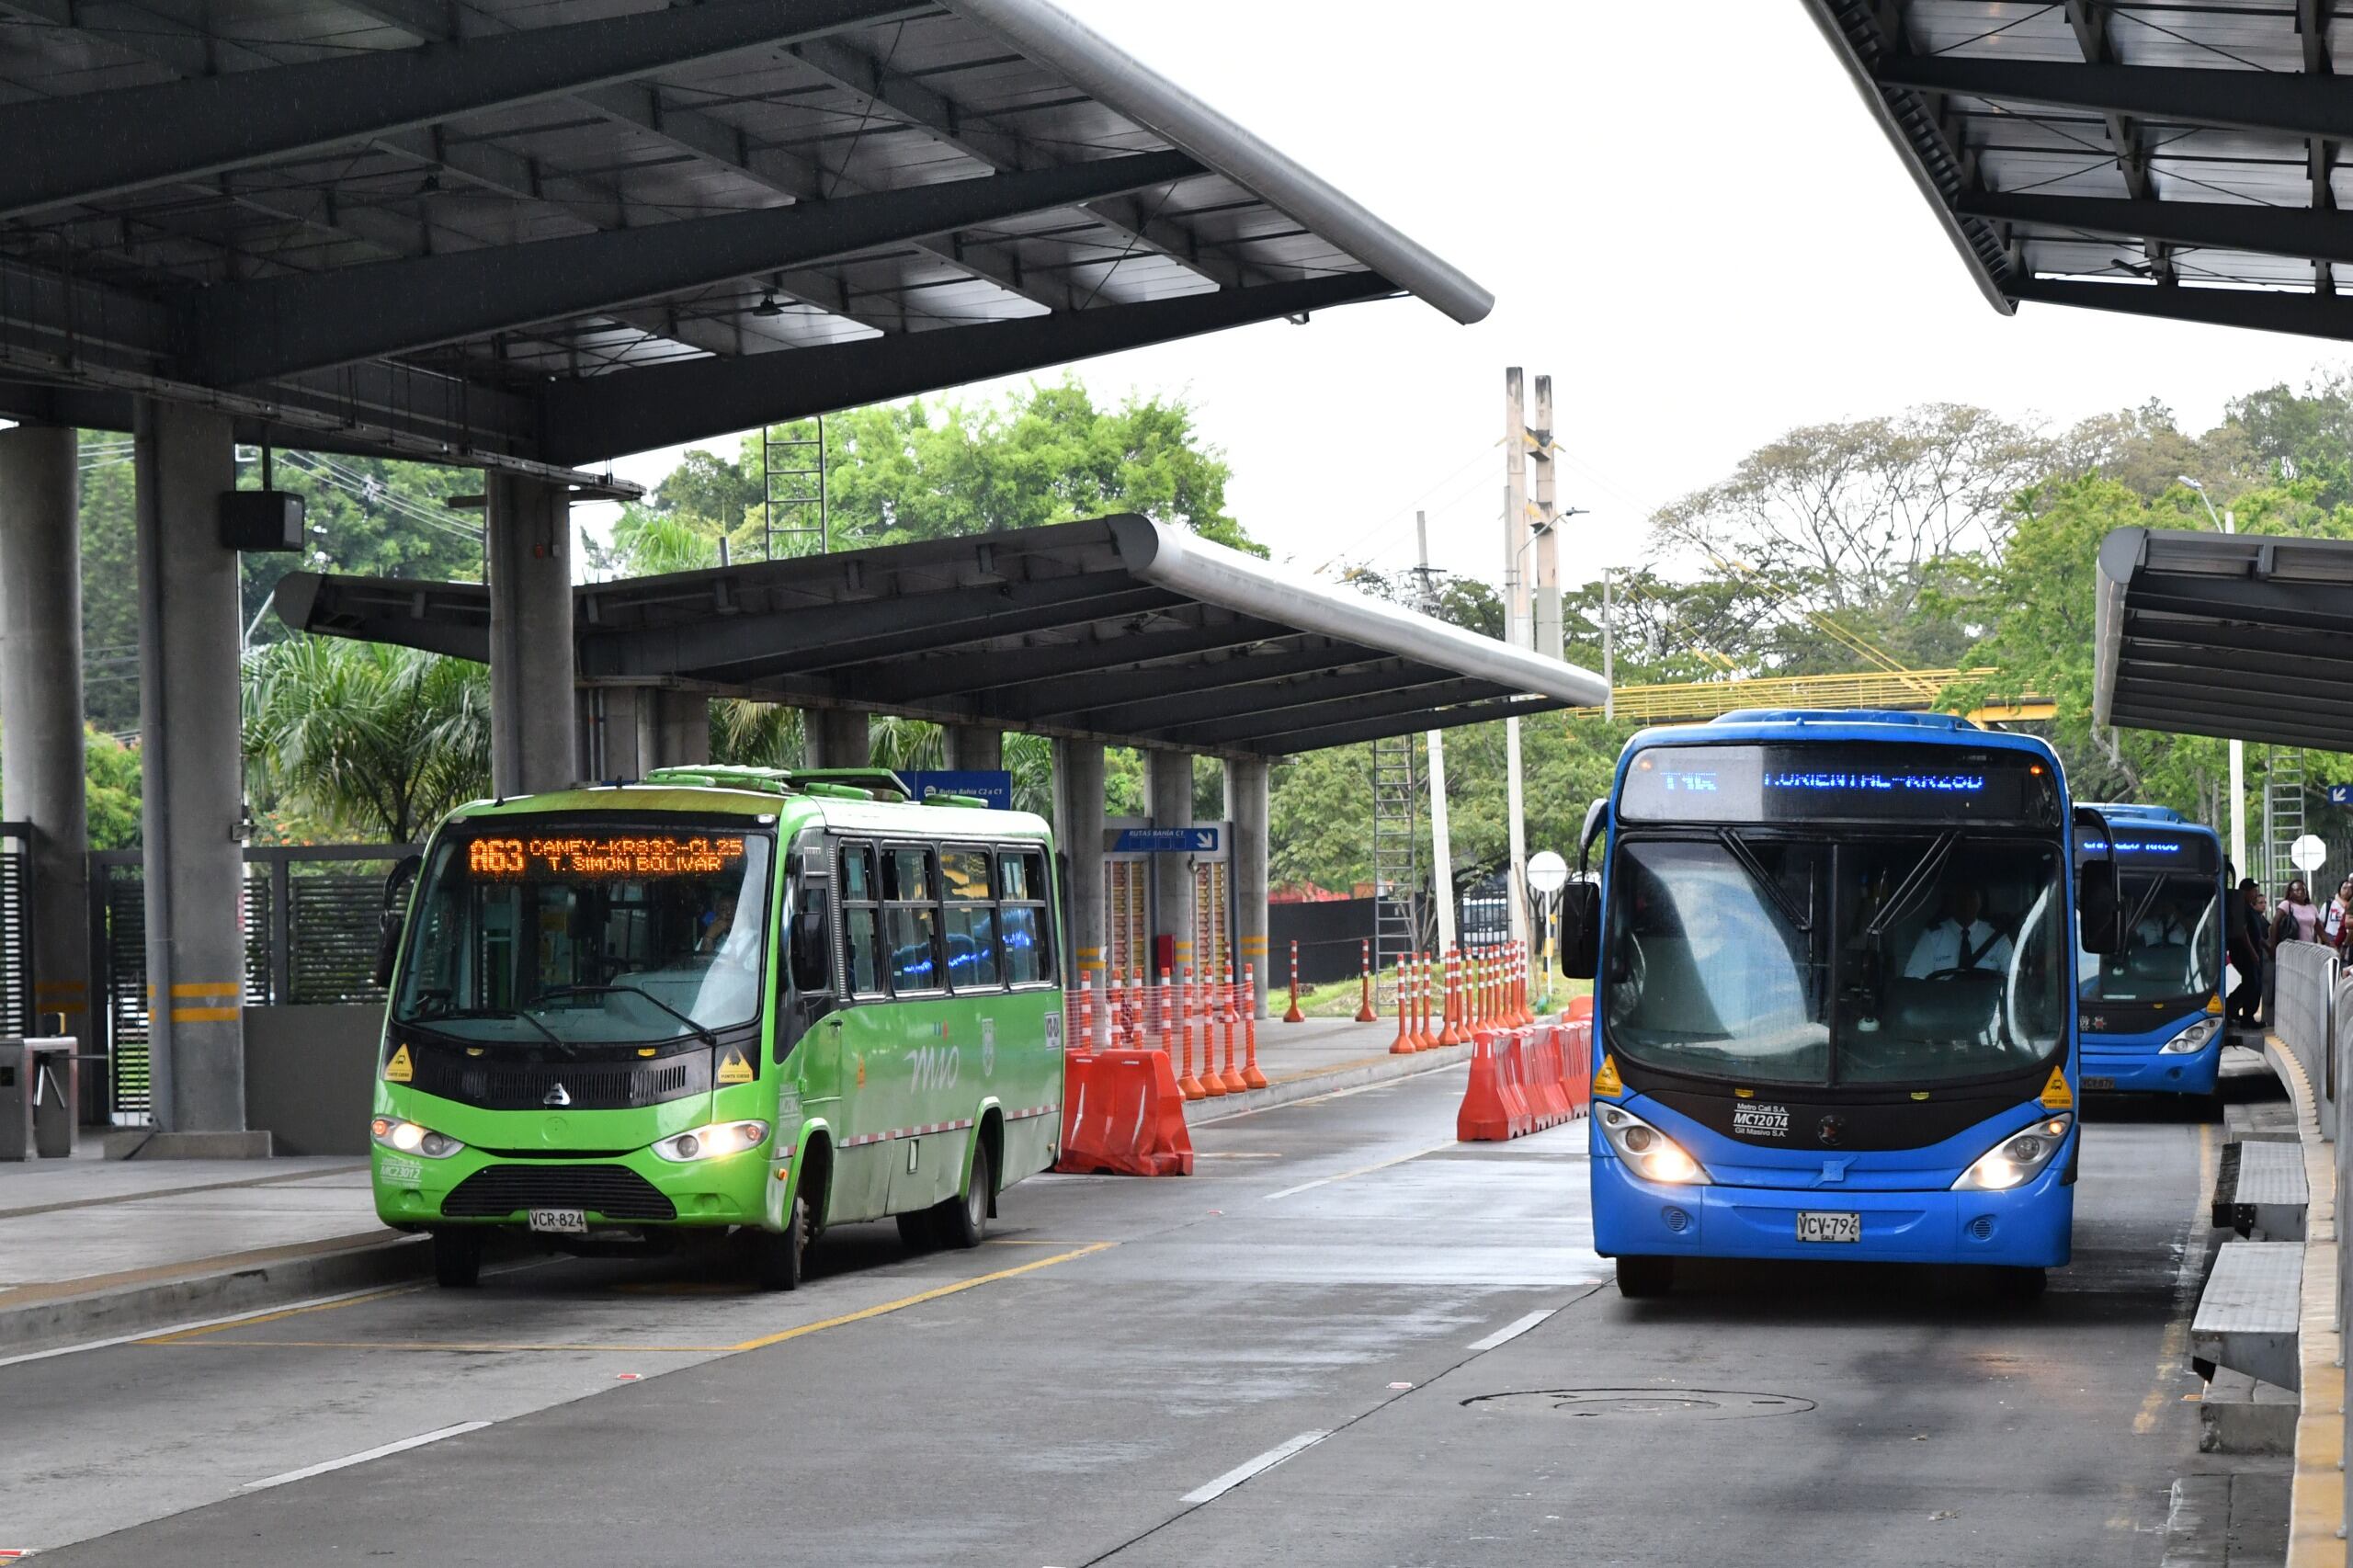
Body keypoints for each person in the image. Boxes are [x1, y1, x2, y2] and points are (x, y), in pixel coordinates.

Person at [1904, 885, 2012, 977]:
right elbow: (1914, 980)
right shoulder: (1932, 937)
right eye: (1960, 898)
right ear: (1951, 902)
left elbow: (2013, 980)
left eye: (1971, 897)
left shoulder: (1997, 937)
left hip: (1988, 1000)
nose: (1966, 904)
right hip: (1943, 999)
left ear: (1980, 901)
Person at [2226, 878, 2267, 1027]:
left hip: (2253, 952)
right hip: (2243, 953)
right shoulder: (2240, 908)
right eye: (2253, 891)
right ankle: (2245, 1016)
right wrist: (2253, 953)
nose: (2256, 894)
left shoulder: (2250, 908)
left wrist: (2266, 947)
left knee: (2252, 984)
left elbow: (2256, 933)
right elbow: (2243, 933)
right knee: (2251, 984)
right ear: (2245, 891)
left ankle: (2232, 1008)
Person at [2327, 876, 2353, 956]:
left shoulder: (2348, 904)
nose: (2347, 891)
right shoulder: (2330, 904)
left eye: (2350, 888)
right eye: (2344, 888)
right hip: (2332, 939)